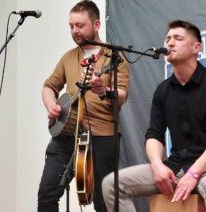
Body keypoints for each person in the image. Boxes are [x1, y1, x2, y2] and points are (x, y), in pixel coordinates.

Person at [102, 20, 206, 212]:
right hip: (176, 166)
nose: (170, 43)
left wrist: (194, 173)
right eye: (168, 39)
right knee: (111, 184)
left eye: (178, 38)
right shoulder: (163, 91)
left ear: (196, 47)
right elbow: (154, 135)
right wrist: (157, 166)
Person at [37, 1, 130, 211]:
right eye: (71, 26)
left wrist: (103, 91)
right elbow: (49, 86)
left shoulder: (114, 57)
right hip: (67, 135)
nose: (74, 31)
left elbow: (122, 94)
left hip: (102, 136)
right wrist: (51, 104)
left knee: (102, 200)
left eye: (80, 25)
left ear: (96, 25)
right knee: (47, 193)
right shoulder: (69, 57)